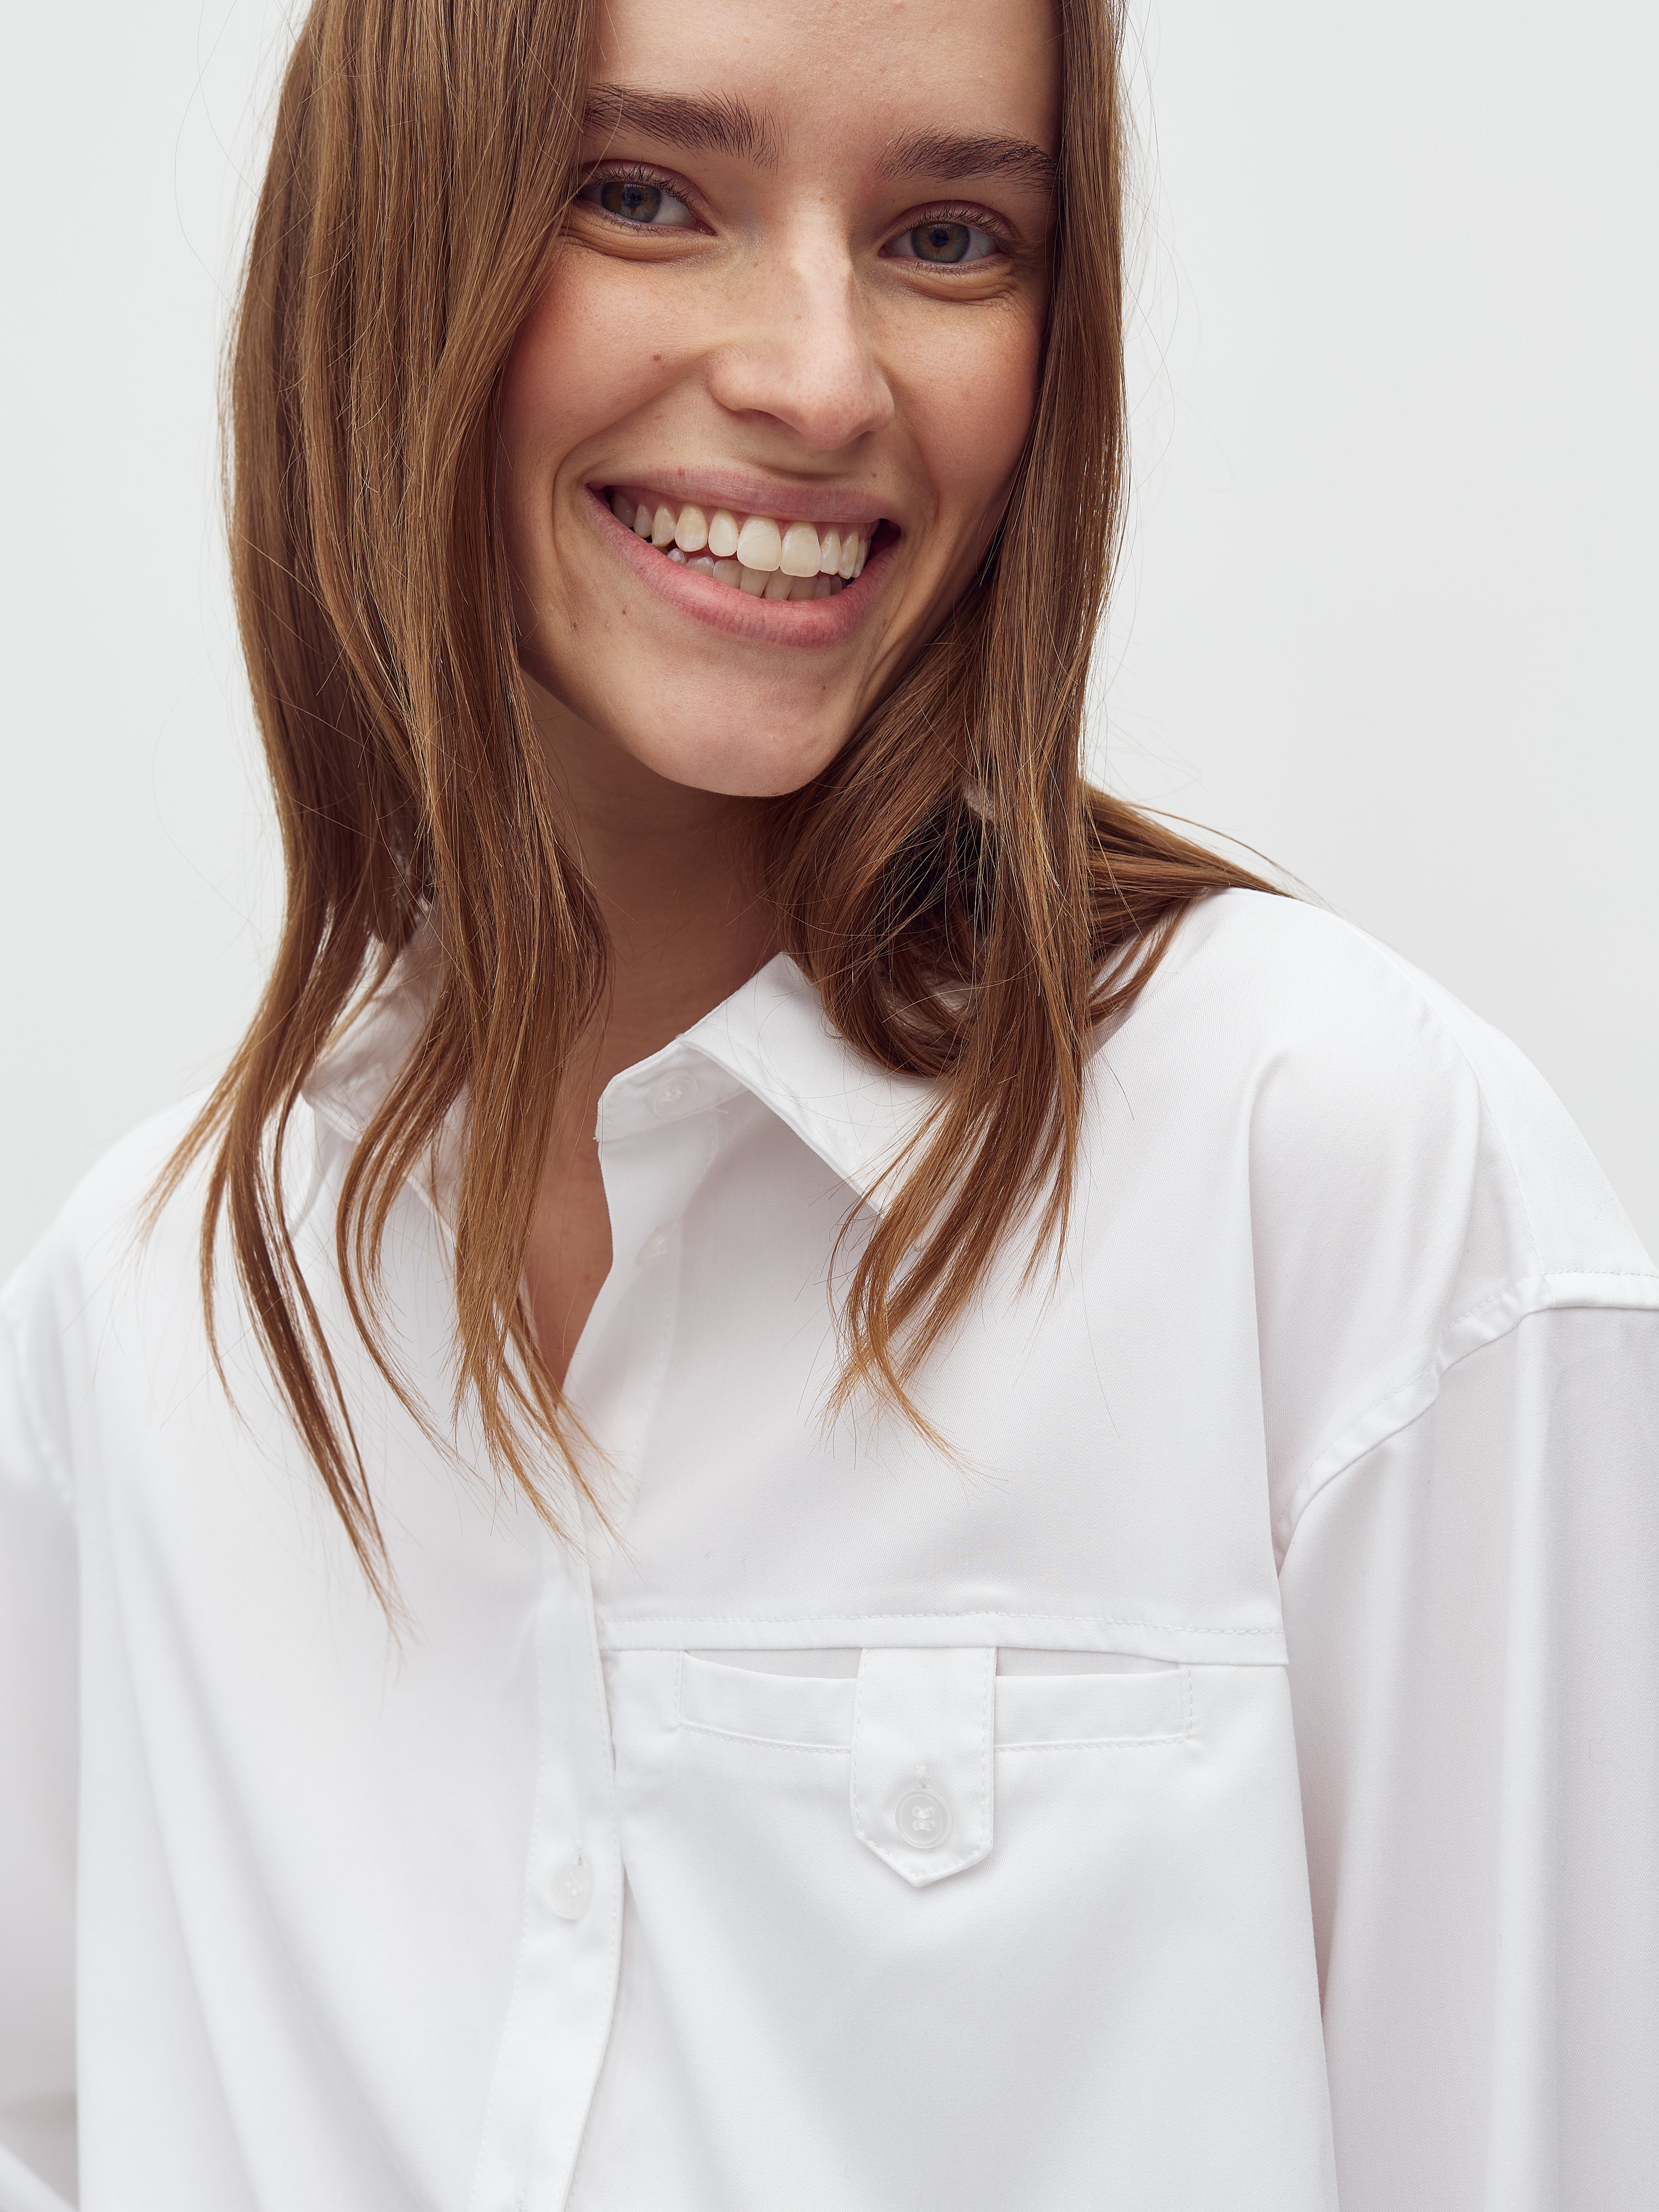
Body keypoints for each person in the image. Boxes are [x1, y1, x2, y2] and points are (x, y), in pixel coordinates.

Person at [2, 0, 1655, 2204]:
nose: (818, 377)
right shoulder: (149, 1327)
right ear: (391, 237)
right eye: (640, 195)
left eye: (950, 236)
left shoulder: (1341, 1187)